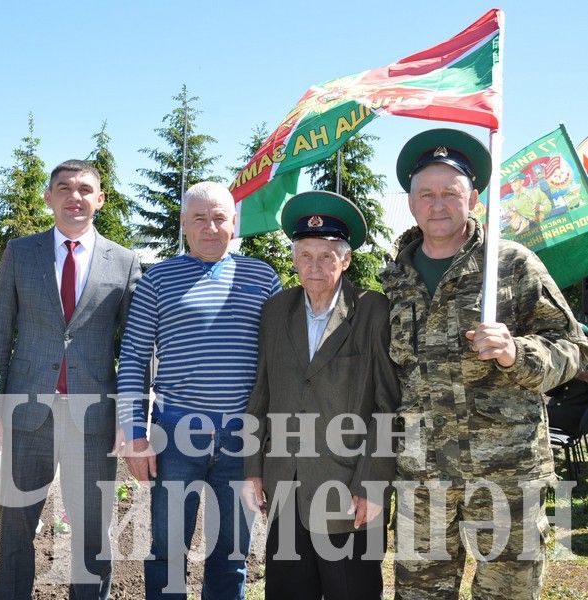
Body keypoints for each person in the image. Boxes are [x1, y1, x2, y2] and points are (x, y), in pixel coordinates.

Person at [382, 129, 588, 600]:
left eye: (450, 194)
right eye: (426, 194)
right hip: (424, 479)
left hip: (507, 477)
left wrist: (519, 352)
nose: (438, 205)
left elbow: (572, 348)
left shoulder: (512, 264)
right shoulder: (394, 279)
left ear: (473, 198)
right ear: (410, 202)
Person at [117, 181, 281, 599]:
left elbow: (281, 359)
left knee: (232, 553)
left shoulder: (262, 277)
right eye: (200, 219)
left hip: (242, 440)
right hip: (175, 436)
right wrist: (135, 435)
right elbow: (134, 358)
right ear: (184, 224)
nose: (211, 228)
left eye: (220, 218)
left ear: (234, 222)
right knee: (167, 550)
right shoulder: (158, 278)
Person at [0, 159, 141, 600]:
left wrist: (129, 419)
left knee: (93, 532)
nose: (74, 196)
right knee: (17, 527)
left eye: (84, 189)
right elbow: (0, 333)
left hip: (94, 420)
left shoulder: (126, 261)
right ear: (48, 197)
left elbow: (132, 350)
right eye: (63, 188)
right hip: (27, 413)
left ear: (100, 199)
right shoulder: (20, 253)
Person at [242, 191, 400, 599]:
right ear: (294, 259)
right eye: (306, 255)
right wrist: (252, 468)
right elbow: (260, 394)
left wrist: (372, 485)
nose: (315, 266)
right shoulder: (276, 311)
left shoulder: (372, 311)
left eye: (327, 256)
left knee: (352, 591)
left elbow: (387, 406)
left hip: (348, 488)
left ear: (345, 260)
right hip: (285, 485)